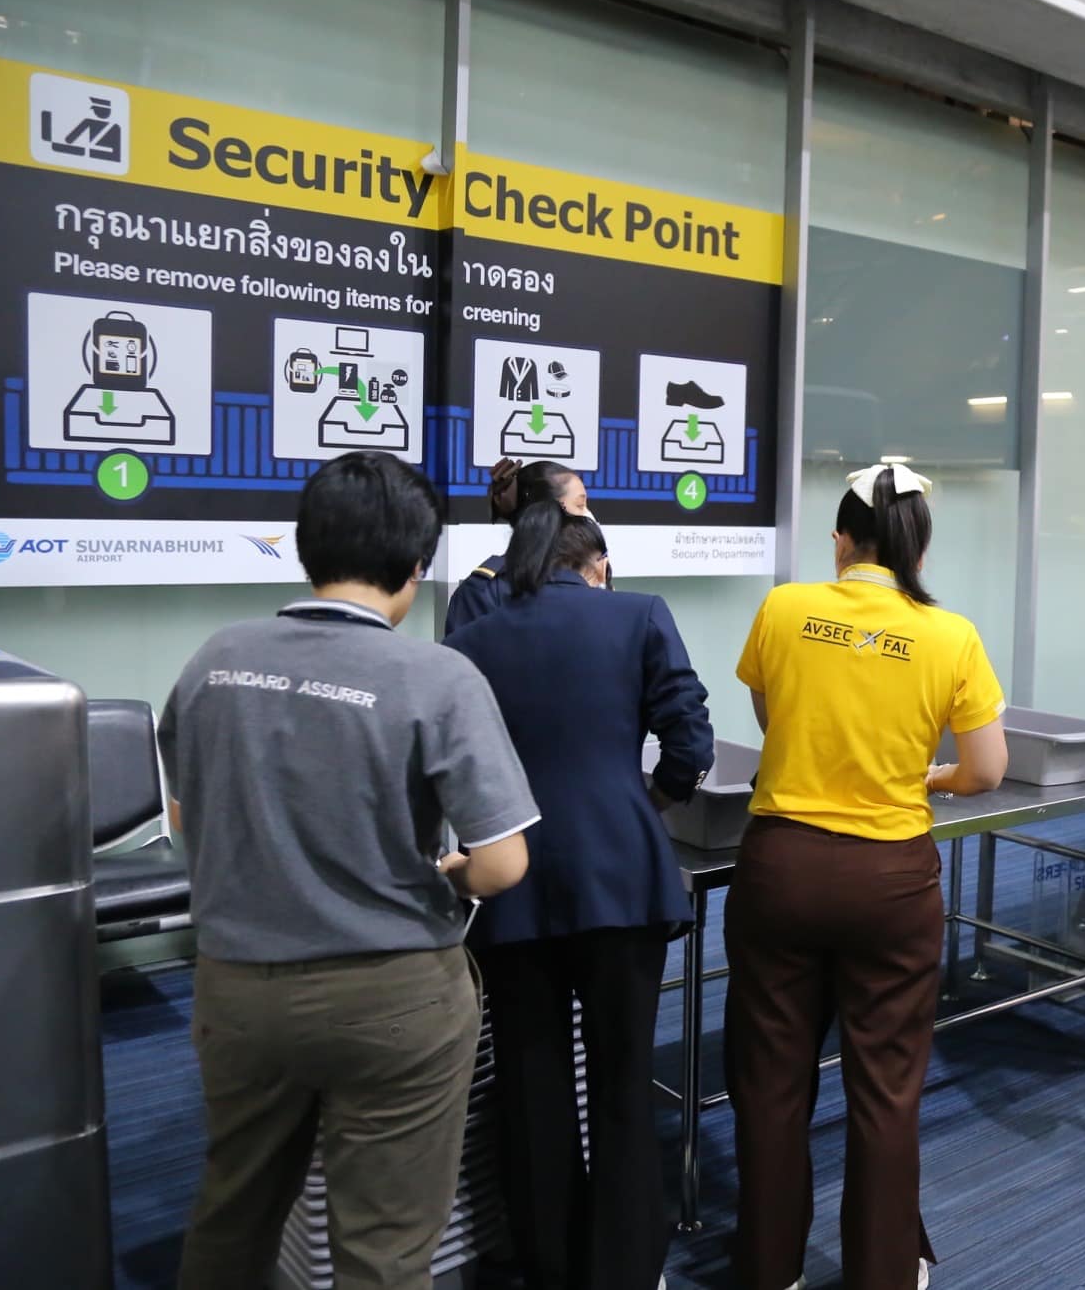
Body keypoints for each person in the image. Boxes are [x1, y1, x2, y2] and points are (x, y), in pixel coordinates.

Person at [159, 451, 539, 1289]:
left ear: (305, 548)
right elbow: (503, 861)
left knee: (233, 1213)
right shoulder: (436, 675)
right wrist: (450, 874)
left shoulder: (213, 661)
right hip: (393, 996)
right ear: (416, 566)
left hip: (237, 987)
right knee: (385, 1248)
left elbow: (187, 818)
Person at [725, 464, 1008, 1290]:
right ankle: (882, 1274)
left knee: (770, 1079)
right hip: (890, 879)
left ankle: (768, 1267)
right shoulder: (949, 634)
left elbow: (771, 717)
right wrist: (933, 778)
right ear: (918, 543)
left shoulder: (784, 608)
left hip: (781, 866)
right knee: (885, 1087)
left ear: (844, 540)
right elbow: (987, 769)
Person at [444, 501, 714, 1290]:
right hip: (621, 878)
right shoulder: (638, 616)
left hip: (512, 886)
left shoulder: (470, 643)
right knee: (623, 1078)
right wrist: (645, 802)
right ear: (593, 561)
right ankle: (625, 1269)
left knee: (531, 1083)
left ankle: (549, 1265)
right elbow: (689, 739)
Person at [446, 458, 594, 631]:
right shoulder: (482, 592)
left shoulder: (589, 578)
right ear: (543, 514)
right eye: (579, 505)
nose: (588, 516)